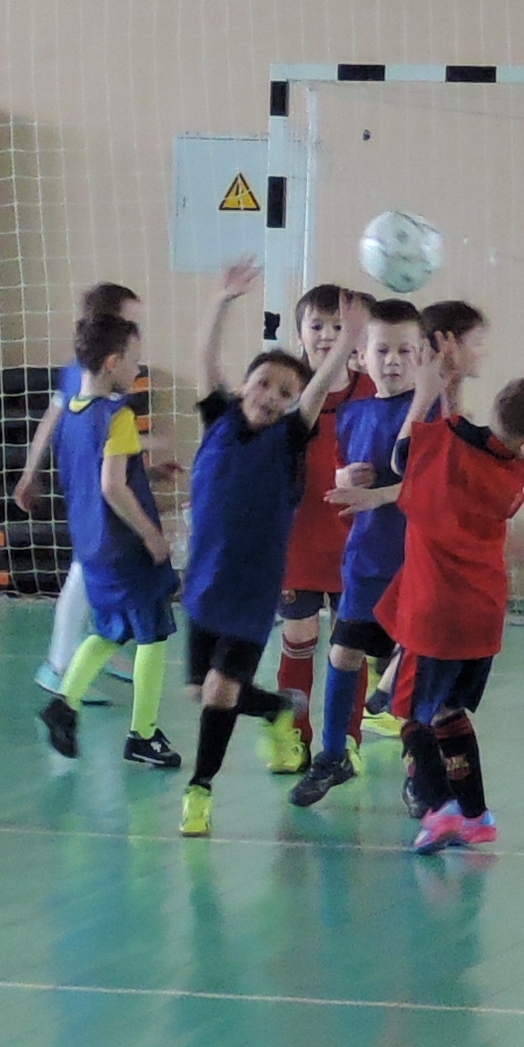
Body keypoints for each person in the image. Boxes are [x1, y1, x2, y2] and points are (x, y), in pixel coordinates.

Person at [371, 296, 524, 850]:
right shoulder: (514, 470)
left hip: (435, 617)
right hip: (482, 619)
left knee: (411, 715)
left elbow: (404, 455)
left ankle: (440, 809)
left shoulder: (445, 454)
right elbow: (457, 436)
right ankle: (477, 815)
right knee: (450, 711)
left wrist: (426, 391)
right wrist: (452, 386)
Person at [172, 265, 363, 835]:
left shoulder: (288, 441)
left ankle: (200, 790)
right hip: (203, 588)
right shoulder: (220, 421)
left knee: (219, 691)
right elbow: (205, 357)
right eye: (263, 385)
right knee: (199, 690)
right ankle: (279, 708)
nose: (272, 397)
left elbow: (318, 387)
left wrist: (348, 341)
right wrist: (222, 300)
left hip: (253, 596)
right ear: (242, 388)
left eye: (286, 393)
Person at [291, 298, 424, 809]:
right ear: (361, 357)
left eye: (405, 351)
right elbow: (341, 471)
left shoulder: (429, 412)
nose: (393, 361)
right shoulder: (352, 413)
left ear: (421, 356)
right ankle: (333, 755)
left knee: (414, 674)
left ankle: (420, 770)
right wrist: (345, 477)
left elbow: (429, 485)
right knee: (343, 653)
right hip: (367, 560)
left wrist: (380, 494)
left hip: (415, 564)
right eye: (382, 350)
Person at [37, 308, 184, 768]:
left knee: (109, 629)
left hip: (91, 543)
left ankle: (65, 703)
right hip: (126, 545)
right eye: (135, 361)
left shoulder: (71, 415)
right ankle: (143, 734)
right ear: (112, 363)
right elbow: (112, 486)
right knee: (153, 633)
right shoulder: (116, 416)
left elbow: (96, 472)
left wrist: (147, 471)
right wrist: (151, 535)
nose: (138, 370)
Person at [14, 282, 142, 701]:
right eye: (130, 320)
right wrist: (30, 472)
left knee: (102, 573)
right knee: (85, 573)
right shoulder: (81, 375)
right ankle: (59, 665)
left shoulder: (110, 384)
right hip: (90, 493)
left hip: (100, 489)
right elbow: (52, 423)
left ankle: (95, 648)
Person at [271, 283, 372, 767]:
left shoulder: (371, 391)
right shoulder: (286, 391)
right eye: (317, 325)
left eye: (339, 326)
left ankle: (346, 739)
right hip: (298, 540)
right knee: (298, 639)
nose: (329, 335)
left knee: (350, 646)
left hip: (356, 543)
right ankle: (292, 737)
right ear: (299, 334)